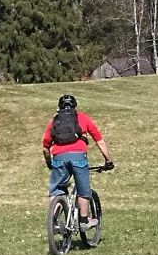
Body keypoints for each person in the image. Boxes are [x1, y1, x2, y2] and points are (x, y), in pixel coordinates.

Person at [42, 94, 112, 228]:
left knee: (57, 190)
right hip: (78, 157)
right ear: (75, 106)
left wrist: (49, 163)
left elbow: (45, 147)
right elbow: (99, 141)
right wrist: (108, 161)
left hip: (58, 158)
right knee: (83, 190)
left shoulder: (55, 121)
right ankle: (84, 221)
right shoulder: (82, 118)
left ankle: (53, 221)